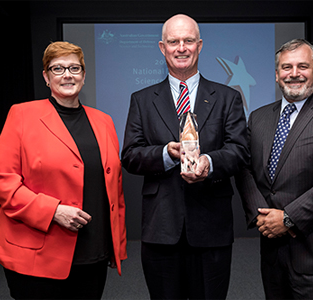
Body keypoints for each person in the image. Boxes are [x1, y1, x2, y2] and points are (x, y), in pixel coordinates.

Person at [121, 14, 249, 299]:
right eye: (174, 41)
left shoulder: (228, 97)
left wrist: (209, 162)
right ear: (161, 47)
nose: (181, 48)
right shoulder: (141, 99)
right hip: (161, 229)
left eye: (188, 41)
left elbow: (240, 151)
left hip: (211, 228)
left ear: (200, 45)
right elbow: (130, 155)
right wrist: (166, 153)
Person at [0, 41, 127, 300]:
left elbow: (113, 187)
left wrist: (114, 246)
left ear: (84, 75)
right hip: (38, 254)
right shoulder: (22, 115)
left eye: (74, 68)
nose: (67, 75)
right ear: (46, 76)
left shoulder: (104, 121)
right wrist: (53, 211)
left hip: (92, 251)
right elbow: (2, 180)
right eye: (58, 68)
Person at [236, 39, 313, 299]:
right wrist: (260, 214)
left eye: (302, 66)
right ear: (276, 75)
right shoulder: (258, 117)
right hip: (272, 252)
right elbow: (244, 167)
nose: (294, 74)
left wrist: (287, 218)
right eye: (286, 67)